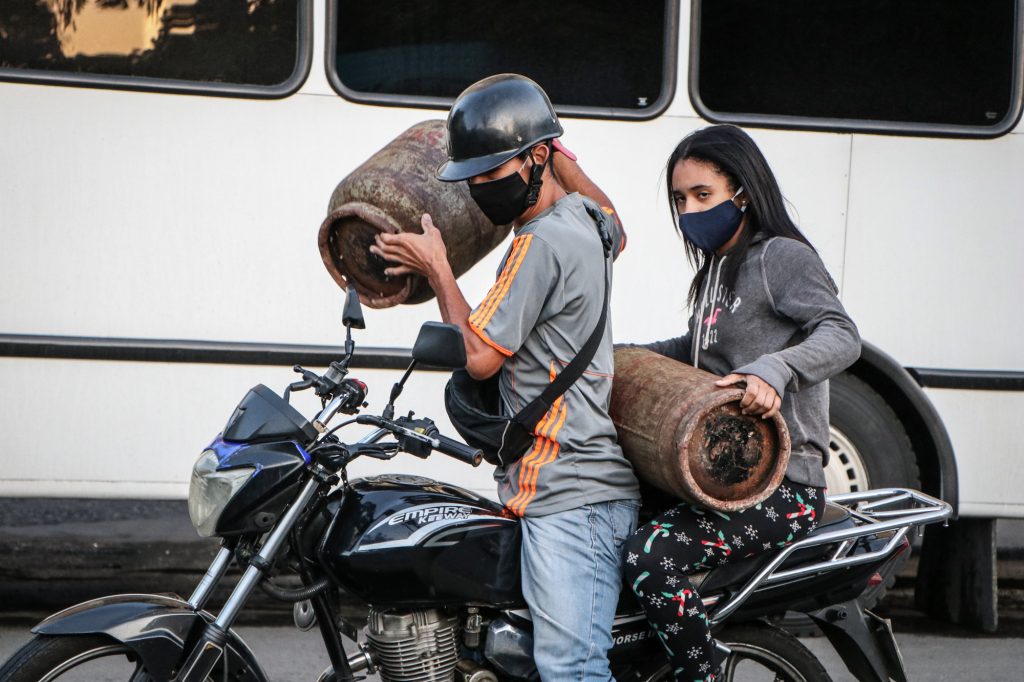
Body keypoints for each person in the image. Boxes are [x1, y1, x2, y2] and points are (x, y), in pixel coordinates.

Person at [369, 73, 641, 681]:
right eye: (473, 178)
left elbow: (480, 358)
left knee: (571, 670)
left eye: (493, 173)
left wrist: (438, 268)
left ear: (537, 158)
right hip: (569, 489)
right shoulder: (587, 221)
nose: (481, 189)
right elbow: (619, 225)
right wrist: (554, 147)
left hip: (570, 494)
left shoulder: (538, 244)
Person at [622, 124, 861, 681]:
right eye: (680, 199)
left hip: (782, 488)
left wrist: (775, 369)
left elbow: (841, 334)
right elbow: (696, 351)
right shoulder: (715, 270)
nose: (689, 210)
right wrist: (618, 357)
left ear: (743, 194)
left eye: (702, 195)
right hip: (718, 476)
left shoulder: (780, 258)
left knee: (650, 557)